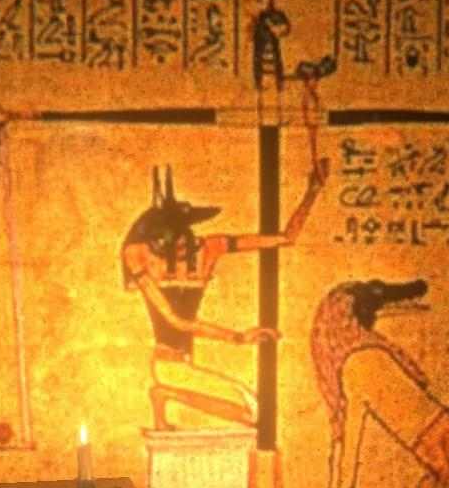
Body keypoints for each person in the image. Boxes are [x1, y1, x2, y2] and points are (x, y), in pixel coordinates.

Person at [123, 161, 326, 430]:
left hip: (184, 364)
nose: (177, 247)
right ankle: (163, 394)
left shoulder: (209, 248)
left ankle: (164, 395)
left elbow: (285, 238)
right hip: (166, 364)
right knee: (254, 415)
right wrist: (238, 337)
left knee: (256, 413)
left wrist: (312, 192)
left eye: (181, 239)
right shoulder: (141, 258)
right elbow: (177, 322)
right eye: (164, 243)